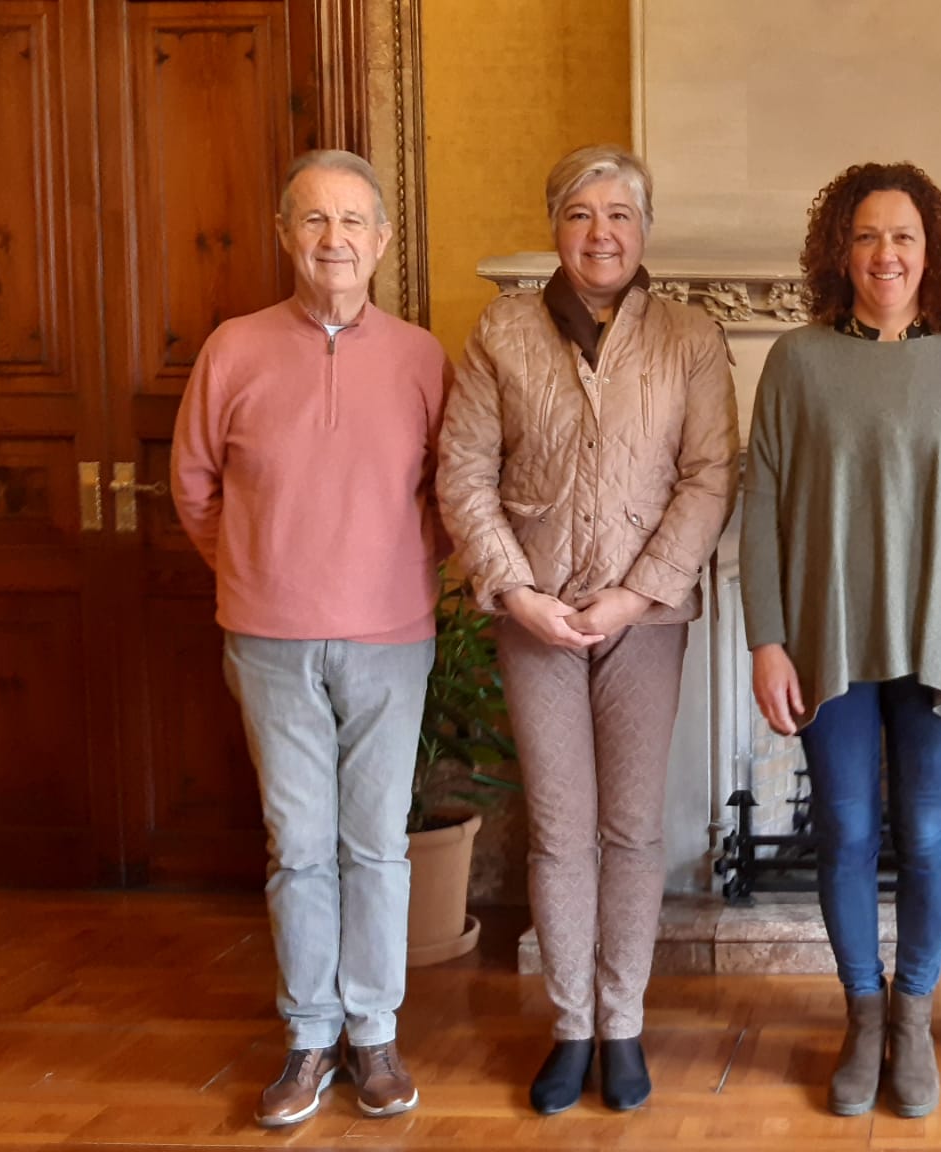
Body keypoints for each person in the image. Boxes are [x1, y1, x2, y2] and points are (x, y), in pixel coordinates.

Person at [438, 144, 739, 1116]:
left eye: (618, 214)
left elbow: (708, 479)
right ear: (554, 228)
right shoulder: (502, 335)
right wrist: (517, 590)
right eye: (579, 214)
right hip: (533, 618)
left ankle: (623, 1021)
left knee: (631, 828)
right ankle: (569, 1025)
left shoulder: (690, 338)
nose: (600, 233)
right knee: (561, 829)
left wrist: (637, 593)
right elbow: (464, 474)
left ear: (643, 230)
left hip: (642, 622)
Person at [740, 161, 941, 1119]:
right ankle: (863, 1014)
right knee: (849, 832)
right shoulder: (797, 361)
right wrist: (768, 641)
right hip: (829, 641)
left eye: (902, 235)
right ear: (840, 250)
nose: (885, 253)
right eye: (866, 235)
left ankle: (915, 1020)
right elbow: (764, 508)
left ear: (929, 248)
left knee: (931, 833)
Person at [171, 149, 446, 1128]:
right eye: (314, 221)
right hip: (269, 640)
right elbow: (194, 486)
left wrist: (397, 577)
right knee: (298, 846)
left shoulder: (421, 357)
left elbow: (446, 497)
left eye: (352, 223)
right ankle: (306, 1038)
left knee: (374, 846)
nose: (334, 240)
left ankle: (371, 1036)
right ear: (286, 235)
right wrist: (257, 568)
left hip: (389, 639)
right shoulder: (233, 349)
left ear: (380, 241)